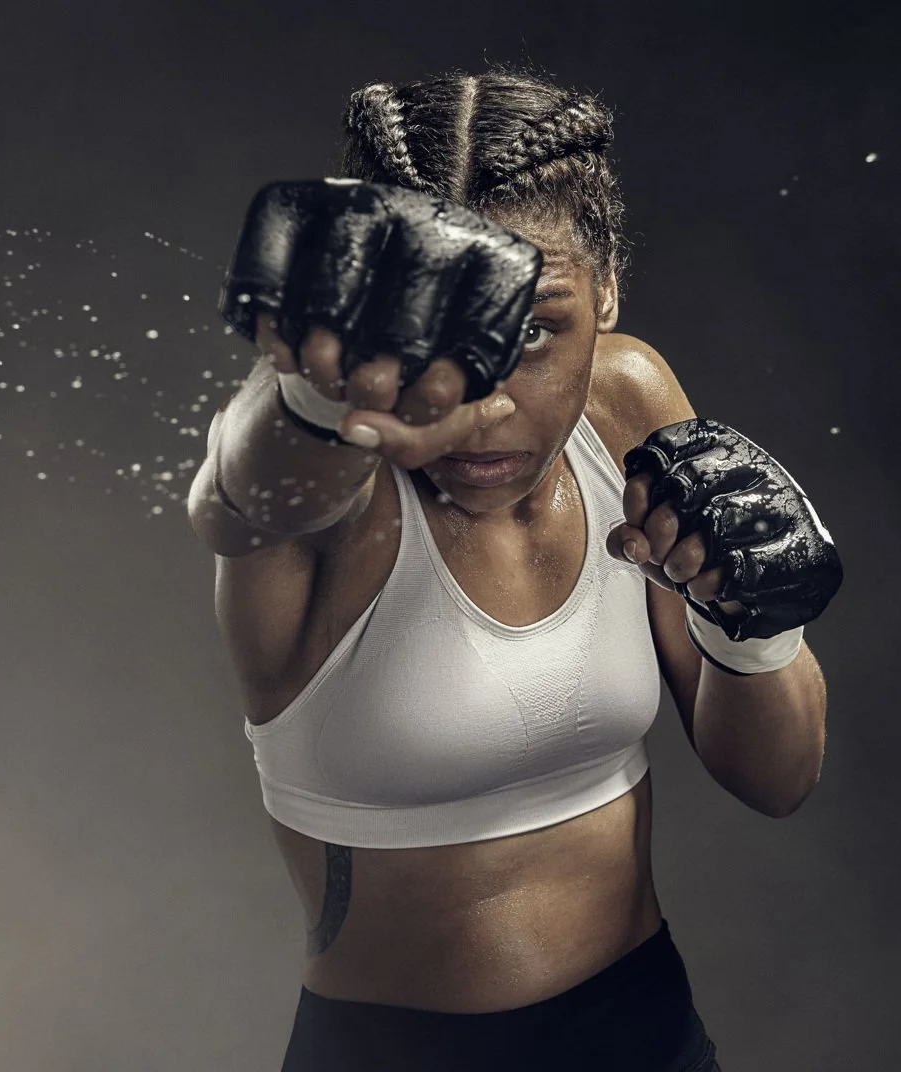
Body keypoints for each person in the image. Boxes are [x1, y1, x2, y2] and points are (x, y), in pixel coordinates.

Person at [187, 67, 841, 1072]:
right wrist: (315, 392)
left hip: (646, 1034)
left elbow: (779, 779)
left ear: (608, 286)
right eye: (441, 342)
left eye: (533, 330)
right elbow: (238, 494)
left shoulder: (627, 400)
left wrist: (756, 630)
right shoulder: (329, 482)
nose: (485, 403)